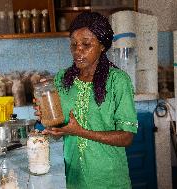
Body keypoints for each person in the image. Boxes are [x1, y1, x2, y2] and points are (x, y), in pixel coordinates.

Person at [34, 12, 138, 189]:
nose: (78, 51)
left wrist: (80, 131)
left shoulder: (118, 81)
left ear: (102, 46)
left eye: (86, 45)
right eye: (73, 45)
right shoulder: (61, 79)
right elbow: (58, 124)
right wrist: (49, 122)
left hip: (108, 179)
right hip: (74, 177)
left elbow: (127, 137)